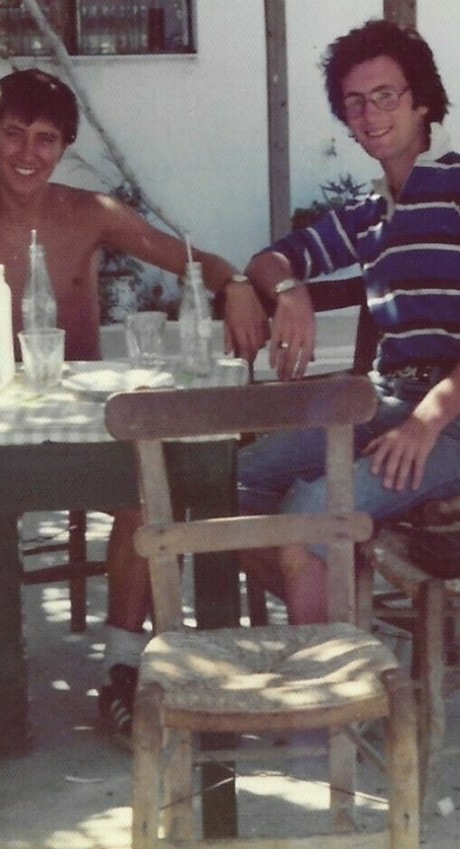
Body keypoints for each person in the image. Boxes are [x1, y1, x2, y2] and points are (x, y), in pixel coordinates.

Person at [0, 68, 266, 780]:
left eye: (46, 138)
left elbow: (189, 258)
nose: (28, 153)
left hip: (81, 419)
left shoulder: (92, 212)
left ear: (65, 145)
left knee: (147, 483)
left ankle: (124, 666)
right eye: (13, 133)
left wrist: (239, 284)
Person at [235, 18, 460, 623]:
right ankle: (346, 629)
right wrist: (289, 291)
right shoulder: (368, 213)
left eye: (385, 95)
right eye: (354, 102)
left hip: (449, 422)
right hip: (383, 403)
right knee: (241, 480)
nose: (369, 114)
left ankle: (325, 705)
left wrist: (427, 421)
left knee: (312, 510)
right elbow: (272, 260)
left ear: (423, 101)